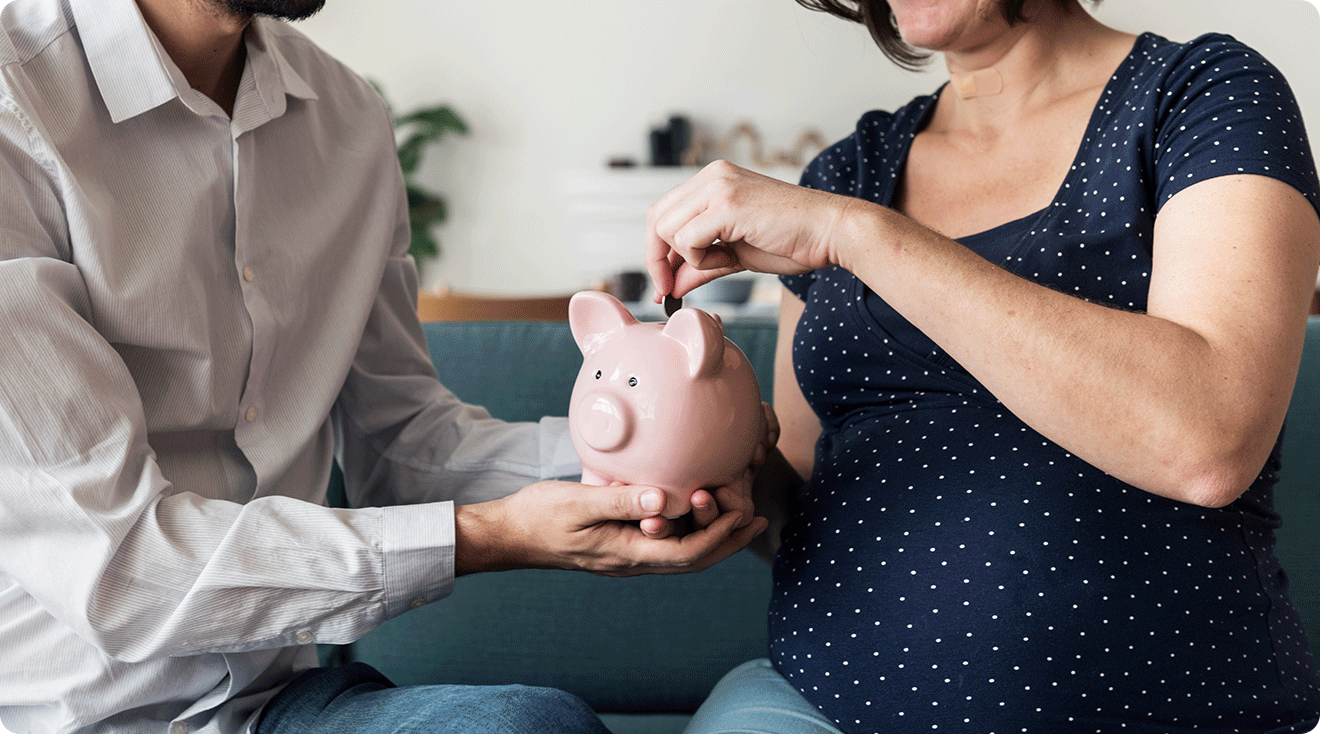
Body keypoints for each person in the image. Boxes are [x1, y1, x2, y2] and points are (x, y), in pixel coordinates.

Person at [0, 0, 770, 733]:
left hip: (272, 708)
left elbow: (406, 445)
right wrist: (491, 537)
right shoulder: (15, 102)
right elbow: (121, 572)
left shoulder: (344, 118)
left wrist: (671, 453)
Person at [643, 0, 1320, 732]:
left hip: (1156, 712)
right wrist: (717, 469)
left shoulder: (1202, 93)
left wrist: (854, 233)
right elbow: (801, 498)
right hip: (818, 702)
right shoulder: (846, 169)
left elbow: (1208, 440)